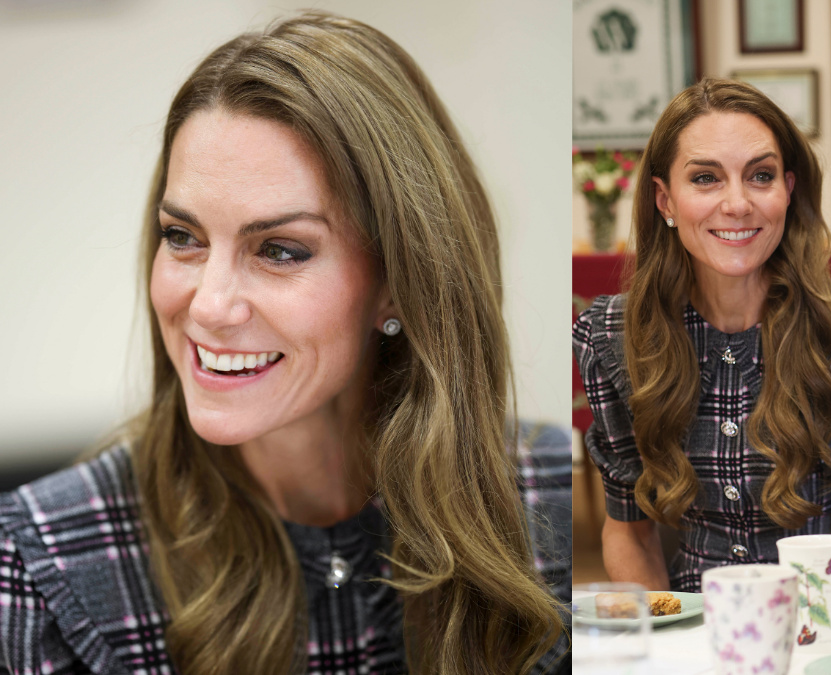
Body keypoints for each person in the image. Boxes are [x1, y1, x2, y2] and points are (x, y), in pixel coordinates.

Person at [0, 13, 566, 675]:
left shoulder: (547, 498)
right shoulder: (40, 563)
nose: (208, 304)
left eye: (279, 250)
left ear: (397, 281)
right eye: (182, 236)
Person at [573, 78, 831, 595]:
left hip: (825, 630)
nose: (737, 203)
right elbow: (630, 536)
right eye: (706, 179)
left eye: (760, 176)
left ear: (788, 189)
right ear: (664, 200)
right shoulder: (609, 336)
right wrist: (669, 642)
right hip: (695, 634)